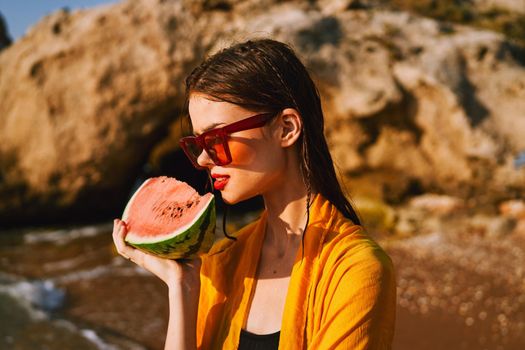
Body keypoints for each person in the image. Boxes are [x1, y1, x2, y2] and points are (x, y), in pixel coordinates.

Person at [113, 38, 396, 350]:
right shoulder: (221, 263)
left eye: (216, 138)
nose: (204, 159)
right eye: (197, 144)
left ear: (286, 128)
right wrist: (181, 287)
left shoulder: (356, 270)